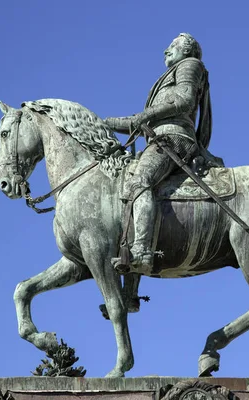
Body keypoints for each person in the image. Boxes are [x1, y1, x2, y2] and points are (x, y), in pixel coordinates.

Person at [103, 33, 220, 271]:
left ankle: (142, 251)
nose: (165, 50)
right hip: (160, 137)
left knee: (140, 182)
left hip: (174, 139)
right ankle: (130, 288)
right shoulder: (168, 75)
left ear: (186, 50)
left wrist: (145, 116)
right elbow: (138, 123)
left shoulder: (190, 65)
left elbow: (186, 101)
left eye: (172, 46)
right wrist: (103, 123)